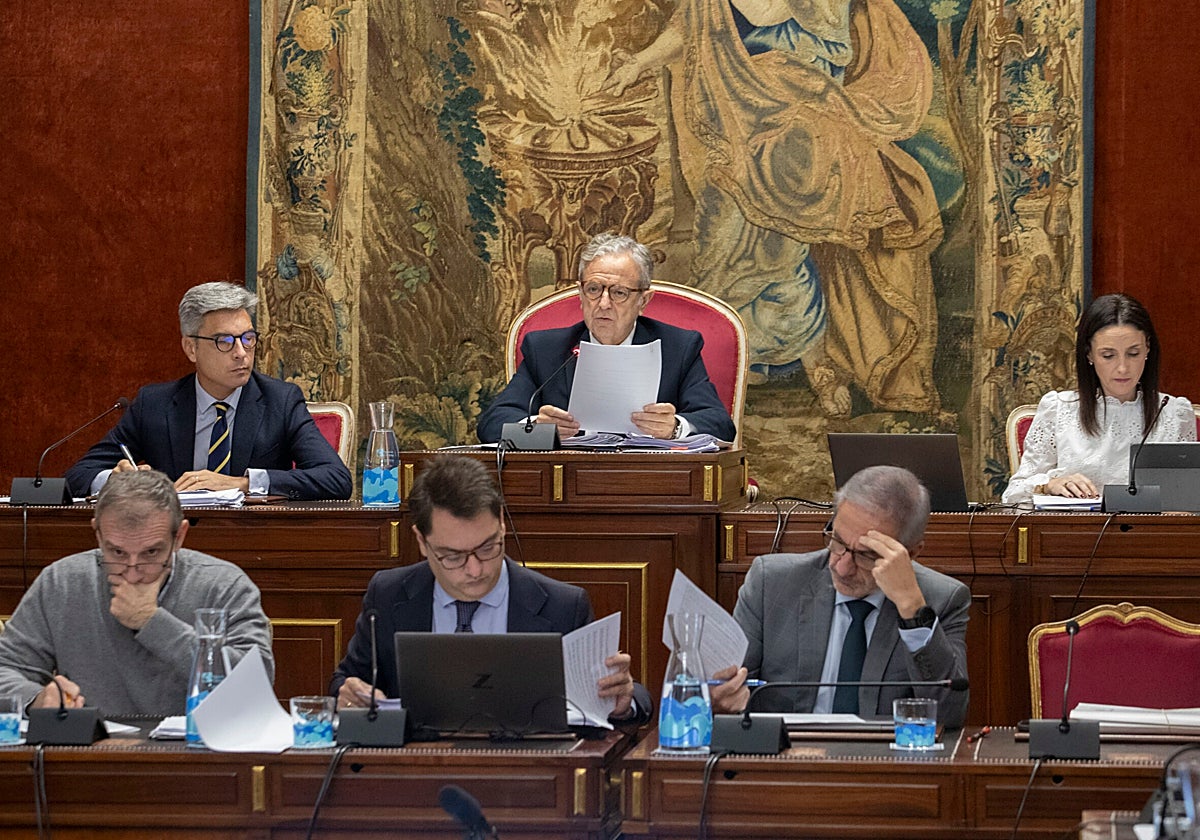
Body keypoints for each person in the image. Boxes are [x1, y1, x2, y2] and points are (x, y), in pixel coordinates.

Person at [604, 0, 943, 415]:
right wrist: (637, 64)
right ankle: (727, 361)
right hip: (736, 126)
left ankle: (818, 367)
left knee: (784, 253)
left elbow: (820, 35)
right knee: (716, 246)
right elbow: (690, 27)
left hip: (801, 131)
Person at [331, 455, 652, 724]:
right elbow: (346, 683)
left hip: (528, 772)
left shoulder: (562, 606)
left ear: (501, 521)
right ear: (422, 542)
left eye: (487, 548)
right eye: (453, 556)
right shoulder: (389, 595)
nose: (475, 570)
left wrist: (622, 703)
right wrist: (349, 696)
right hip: (417, 768)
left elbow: (619, 699)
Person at [710, 465, 970, 727]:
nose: (842, 567)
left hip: (884, 752)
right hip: (788, 749)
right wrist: (719, 699)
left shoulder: (942, 599)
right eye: (838, 542)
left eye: (866, 554)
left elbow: (948, 715)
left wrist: (913, 610)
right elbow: (728, 689)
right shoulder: (772, 583)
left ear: (910, 554)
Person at [0, 470, 274, 715]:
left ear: (179, 537)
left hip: (196, 749)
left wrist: (153, 623)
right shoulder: (62, 581)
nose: (132, 572)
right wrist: (35, 700)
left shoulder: (224, 585)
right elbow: (6, 668)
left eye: (151, 552)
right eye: (117, 552)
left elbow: (256, 684)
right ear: (97, 534)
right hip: (88, 748)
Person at [66, 281, 352, 501]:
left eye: (248, 338)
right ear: (191, 348)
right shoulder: (154, 405)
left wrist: (243, 483)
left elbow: (336, 479)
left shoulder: (280, 401)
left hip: (253, 541)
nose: (241, 353)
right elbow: (77, 475)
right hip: (174, 543)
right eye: (224, 341)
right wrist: (115, 480)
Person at [477, 233, 737, 443]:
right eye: (593, 289)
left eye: (619, 292)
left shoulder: (678, 348)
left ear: (643, 300)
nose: (603, 303)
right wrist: (537, 427)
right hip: (567, 480)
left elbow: (720, 425)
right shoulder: (546, 349)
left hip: (649, 481)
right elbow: (491, 424)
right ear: (580, 294)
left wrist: (674, 428)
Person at [1003, 294, 1196, 503]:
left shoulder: (1175, 413)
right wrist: (1049, 485)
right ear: (1089, 354)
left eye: (1133, 353)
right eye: (1108, 355)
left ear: (1147, 348)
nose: (1123, 368)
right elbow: (1013, 494)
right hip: (1074, 524)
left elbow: (1189, 499)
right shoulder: (1058, 410)